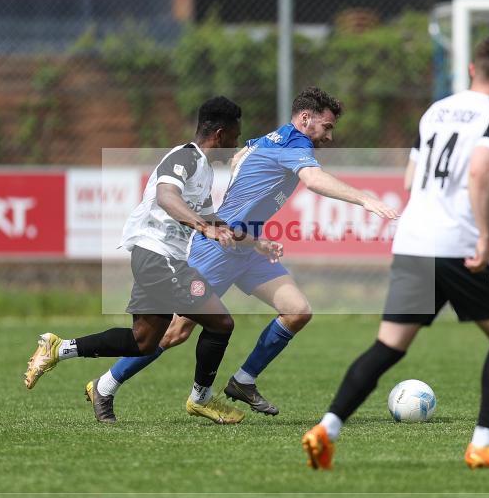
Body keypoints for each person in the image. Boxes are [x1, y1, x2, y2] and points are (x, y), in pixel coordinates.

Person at [86, 86, 399, 422]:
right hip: (221, 247)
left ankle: (243, 381)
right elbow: (314, 180)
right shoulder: (295, 143)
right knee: (176, 331)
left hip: (248, 246)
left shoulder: (270, 139)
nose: (330, 137)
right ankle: (105, 386)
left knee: (297, 311)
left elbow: (242, 158)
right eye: (326, 127)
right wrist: (365, 199)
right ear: (305, 119)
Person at [302, 36, 489, 470]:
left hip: (413, 240)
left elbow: (411, 180)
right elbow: (480, 169)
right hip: (456, 246)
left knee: (388, 346)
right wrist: (483, 234)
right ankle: (484, 443)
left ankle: (326, 429)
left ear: (470, 70)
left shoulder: (435, 112)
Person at [24, 96, 280, 425]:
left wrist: (254, 243)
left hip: (159, 260)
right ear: (218, 134)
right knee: (221, 323)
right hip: (159, 257)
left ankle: (59, 349)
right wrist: (203, 228)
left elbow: (210, 219)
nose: (234, 146)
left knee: (143, 341)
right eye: (233, 137)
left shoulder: (201, 170)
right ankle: (201, 398)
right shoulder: (185, 157)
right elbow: (166, 197)